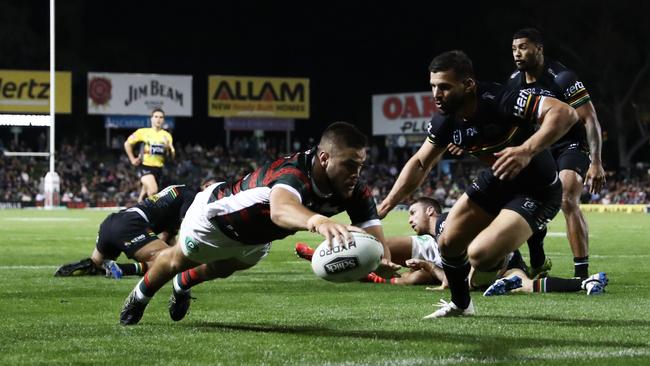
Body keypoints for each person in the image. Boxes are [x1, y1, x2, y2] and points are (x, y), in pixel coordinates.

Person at [119, 122, 400, 325]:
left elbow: (375, 238)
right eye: (350, 164)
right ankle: (139, 298)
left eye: (361, 166)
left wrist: (381, 261)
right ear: (324, 158)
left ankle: (183, 285)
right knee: (176, 259)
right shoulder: (293, 172)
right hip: (217, 218)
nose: (356, 173)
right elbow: (281, 209)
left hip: (257, 237)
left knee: (224, 268)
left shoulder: (356, 190)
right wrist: (317, 221)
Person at [377, 50, 579, 319]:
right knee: (447, 242)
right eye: (433, 87)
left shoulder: (502, 99)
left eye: (445, 87)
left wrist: (526, 150)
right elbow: (420, 163)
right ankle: (462, 305)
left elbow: (565, 113)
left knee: (480, 254)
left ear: (469, 84)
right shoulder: (444, 121)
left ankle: (517, 261)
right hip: (498, 179)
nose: (437, 94)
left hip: (538, 190)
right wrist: (388, 203)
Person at [508, 28, 606, 278]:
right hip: (540, 148)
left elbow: (589, 119)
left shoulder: (562, 78)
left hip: (571, 145)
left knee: (567, 197)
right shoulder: (513, 83)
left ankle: (581, 275)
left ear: (539, 49)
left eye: (523, 47)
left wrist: (596, 162)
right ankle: (536, 251)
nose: (517, 53)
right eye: (514, 49)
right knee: (524, 201)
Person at [54, 184, 201, 279]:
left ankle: (89, 265)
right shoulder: (193, 196)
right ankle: (123, 269)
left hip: (112, 222)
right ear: (206, 186)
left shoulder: (177, 194)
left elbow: (169, 239)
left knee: (97, 266)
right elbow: (187, 226)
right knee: (170, 263)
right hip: (131, 225)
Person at [296, 196, 448, 286]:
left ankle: (374, 277)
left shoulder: (448, 222)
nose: (410, 220)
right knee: (375, 247)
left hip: (446, 263)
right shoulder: (428, 239)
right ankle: (325, 255)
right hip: (432, 245)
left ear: (430, 211)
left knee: (417, 277)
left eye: (413, 213)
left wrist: (429, 266)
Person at [124, 108, 176, 203]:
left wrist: (168, 147)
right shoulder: (143, 132)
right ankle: (152, 212)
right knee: (153, 190)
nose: (158, 119)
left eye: (161, 117)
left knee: (144, 195)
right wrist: (132, 159)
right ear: (151, 119)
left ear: (163, 120)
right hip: (145, 165)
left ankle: (138, 209)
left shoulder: (167, 136)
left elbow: (172, 155)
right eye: (156, 117)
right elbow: (127, 144)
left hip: (159, 168)